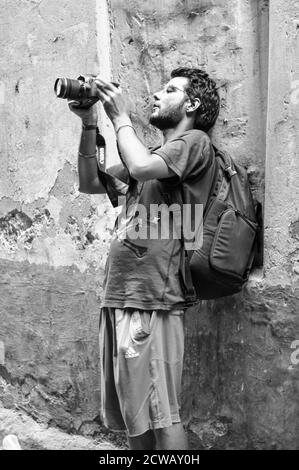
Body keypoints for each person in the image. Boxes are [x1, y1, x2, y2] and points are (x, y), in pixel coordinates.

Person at [68, 67, 220, 450]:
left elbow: (139, 167)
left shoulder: (195, 143)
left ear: (192, 103)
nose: (156, 94)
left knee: (162, 413)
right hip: (120, 293)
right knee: (136, 417)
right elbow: (90, 182)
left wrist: (119, 117)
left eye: (169, 90)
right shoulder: (150, 154)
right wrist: (90, 123)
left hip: (155, 296)